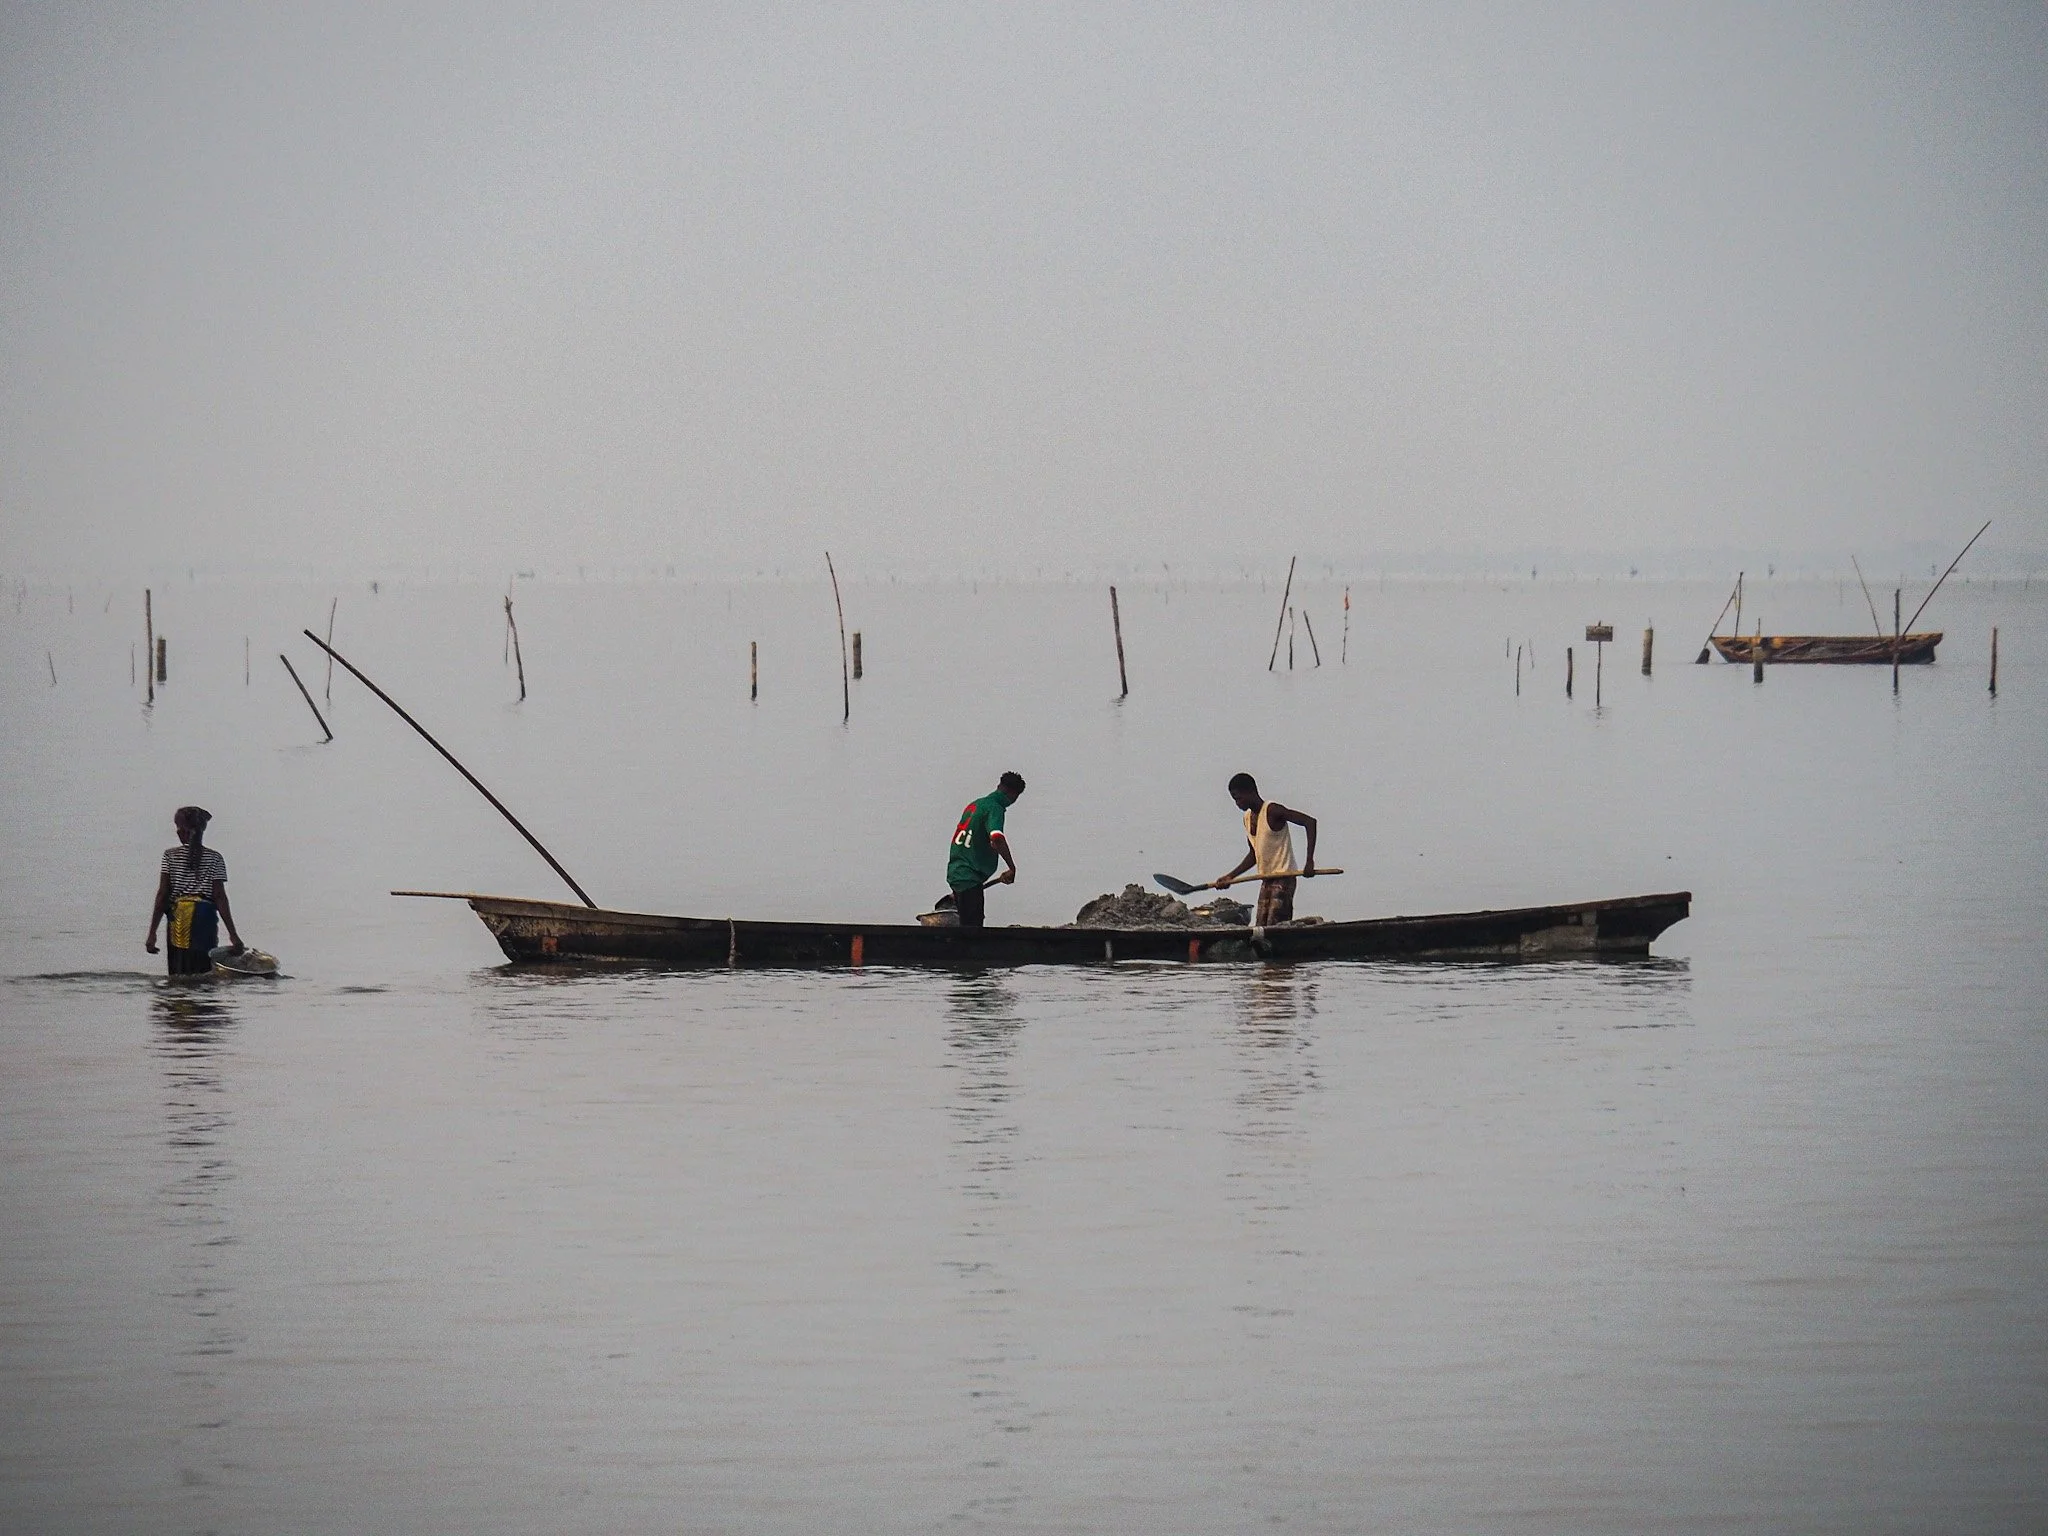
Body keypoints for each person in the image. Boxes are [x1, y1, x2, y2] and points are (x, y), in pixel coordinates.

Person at [145, 806, 242, 977]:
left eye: (178, 827)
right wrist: (233, 935)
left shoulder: (170, 856)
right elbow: (220, 897)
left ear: (185, 830)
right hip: (204, 920)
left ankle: (180, 1001)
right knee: (203, 971)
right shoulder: (215, 858)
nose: (177, 832)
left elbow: (163, 895)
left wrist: (152, 932)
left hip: (179, 919)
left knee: (179, 973)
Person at [1218, 773, 1317, 926]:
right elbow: (1254, 854)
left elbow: (1309, 822)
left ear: (1250, 792)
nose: (1237, 803)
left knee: (1276, 924)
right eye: (1234, 800)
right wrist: (1230, 876)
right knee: (1261, 926)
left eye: (1238, 798)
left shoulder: (1272, 810)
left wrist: (1309, 861)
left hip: (1285, 877)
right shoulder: (1247, 818)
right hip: (1266, 878)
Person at [946, 772, 1025, 928]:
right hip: (969, 876)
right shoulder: (995, 808)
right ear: (1013, 794)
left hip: (956, 872)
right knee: (973, 931)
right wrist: (1011, 867)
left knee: (965, 925)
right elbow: (996, 838)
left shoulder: (975, 805)